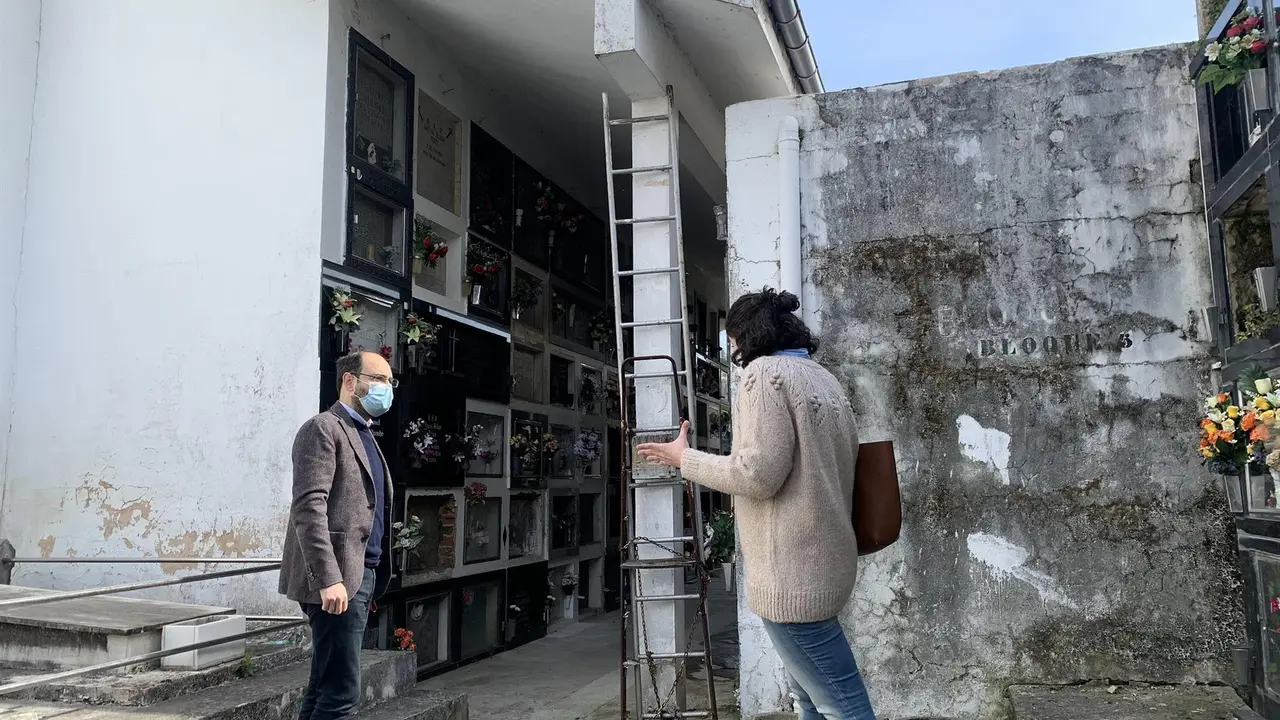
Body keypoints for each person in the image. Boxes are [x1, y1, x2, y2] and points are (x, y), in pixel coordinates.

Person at [637, 288, 874, 720]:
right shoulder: (822, 377)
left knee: (843, 705)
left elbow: (757, 476)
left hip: (793, 573)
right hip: (826, 560)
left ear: (748, 335)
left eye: (732, 338)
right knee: (810, 700)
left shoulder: (764, 376)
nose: (731, 349)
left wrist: (682, 458)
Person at [279, 350, 396, 720]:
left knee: (323, 685)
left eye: (390, 383)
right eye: (378, 380)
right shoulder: (322, 428)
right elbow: (308, 508)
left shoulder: (363, 433)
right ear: (350, 381)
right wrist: (329, 579)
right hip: (337, 582)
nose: (386, 389)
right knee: (342, 696)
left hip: (361, 576)